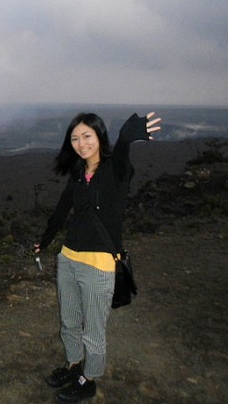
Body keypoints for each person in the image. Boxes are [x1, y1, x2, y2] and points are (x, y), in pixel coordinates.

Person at [34, 112, 162, 402]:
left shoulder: (114, 171)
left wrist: (126, 138)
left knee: (92, 330)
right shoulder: (79, 172)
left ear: (100, 137)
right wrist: (45, 240)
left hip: (99, 264)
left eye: (87, 136)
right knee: (69, 320)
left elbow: (123, 164)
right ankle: (73, 364)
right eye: (75, 138)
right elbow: (62, 207)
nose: (81, 143)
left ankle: (88, 378)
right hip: (68, 259)